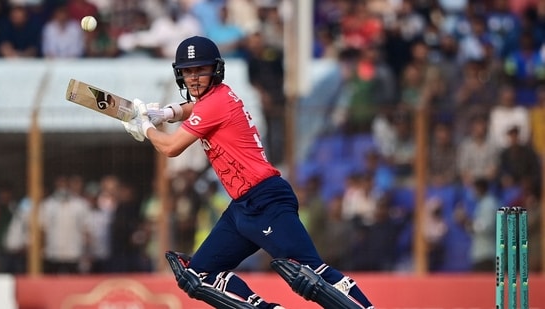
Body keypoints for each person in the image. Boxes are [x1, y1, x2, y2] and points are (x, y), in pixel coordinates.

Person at [121, 36, 375, 309]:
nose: (193, 77)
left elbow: (171, 147)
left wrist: (146, 127)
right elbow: (196, 108)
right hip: (242, 207)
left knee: (309, 275)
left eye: (200, 70)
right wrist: (166, 113)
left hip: (266, 199)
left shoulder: (215, 103)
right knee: (197, 275)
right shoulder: (218, 97)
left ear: (214, 70)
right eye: (187, 71)